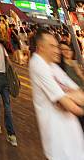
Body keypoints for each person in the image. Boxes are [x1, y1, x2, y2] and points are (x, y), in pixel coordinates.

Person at [29, 29, 84, 159]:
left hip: (73, 140)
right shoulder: (37, 64)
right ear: (41, 47)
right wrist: (67, 98)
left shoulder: (53, 67)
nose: (57, 51)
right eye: (52, 46)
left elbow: (80, 94)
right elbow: (72, 107)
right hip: (59, 146)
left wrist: (65, 96)